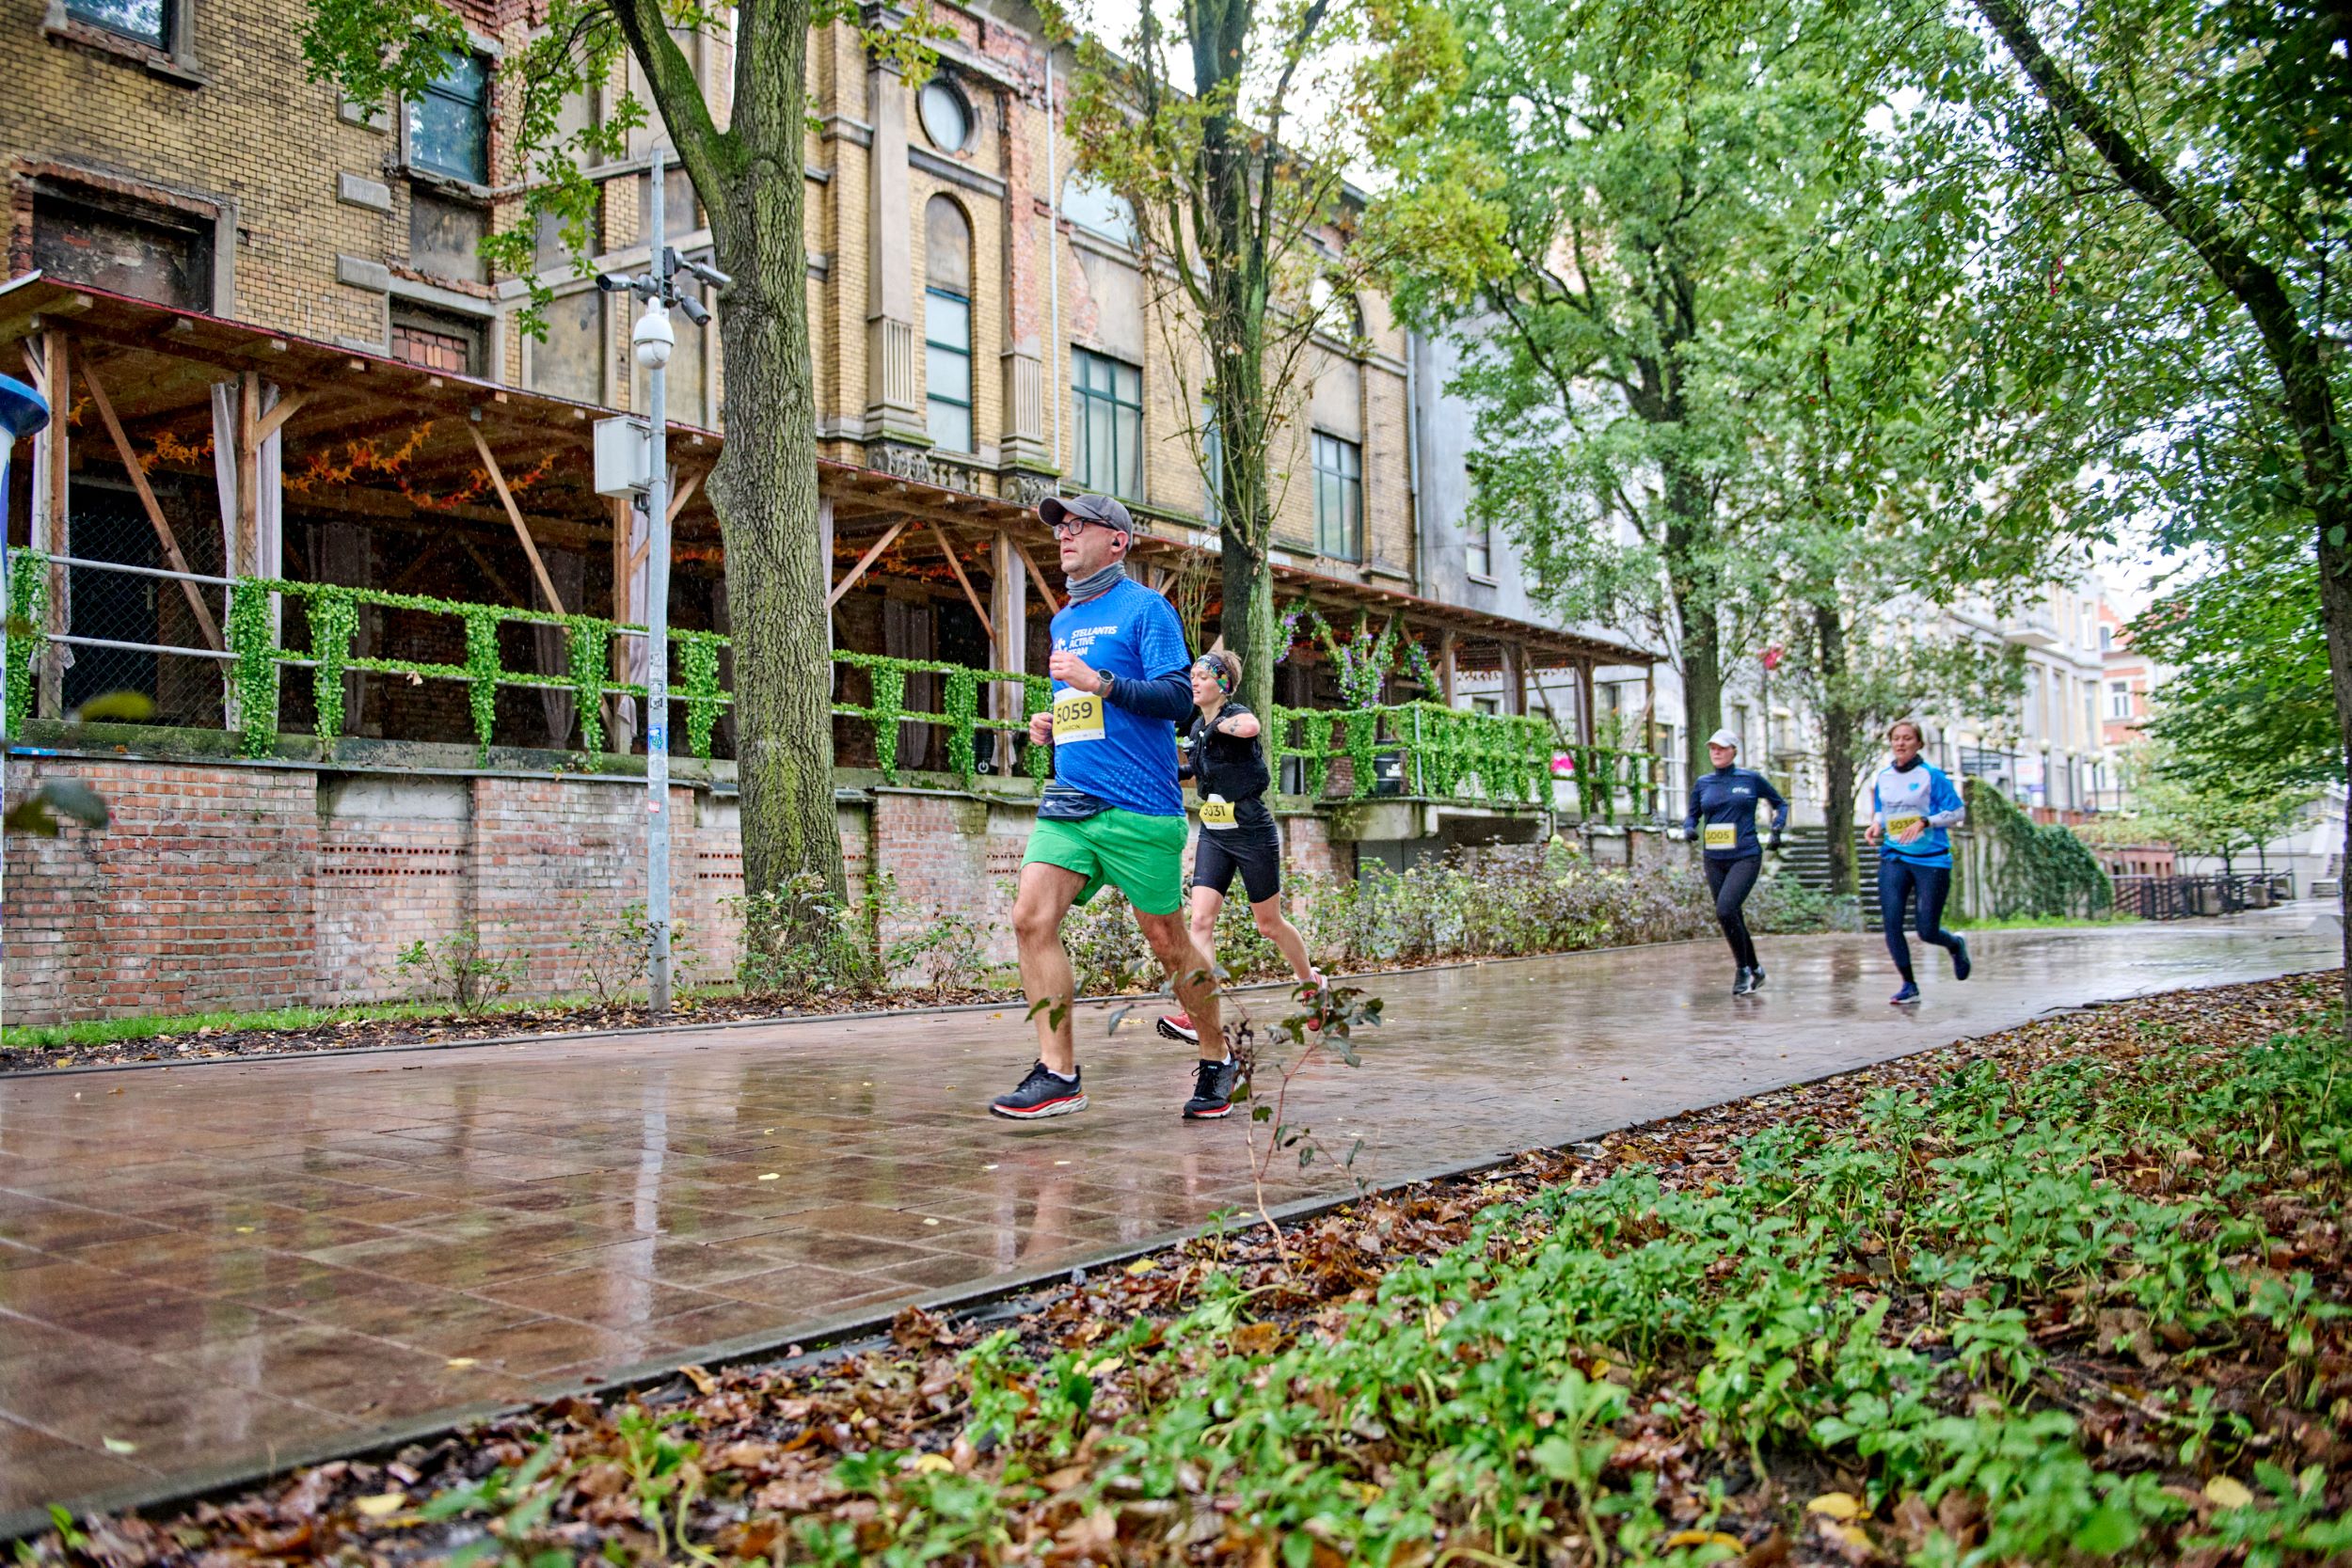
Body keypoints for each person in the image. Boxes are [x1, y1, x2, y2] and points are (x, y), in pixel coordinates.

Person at [990, 493, 1232, 1122]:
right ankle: (1058, 1072)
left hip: (1138, 807)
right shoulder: (1064, 621)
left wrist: (1098, 682)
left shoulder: (1147, 610)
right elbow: (1089, 707)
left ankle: (1216, 1055)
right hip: (1071, 803)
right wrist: (1055, 721)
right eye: (1060, 528)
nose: (1064, 535)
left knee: (1168, 940)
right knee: (1029, 918)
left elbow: (1178, 697)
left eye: (1078, 526)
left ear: (1117, 541)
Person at [1158, 649, 1324, 1056]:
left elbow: (1250, 727)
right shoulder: (1196, 726)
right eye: (1192, 675)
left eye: (1202, 676)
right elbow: (1196, 770)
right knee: (1200, 921)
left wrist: (1219, 729)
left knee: (1268, 925)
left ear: (1223, 684)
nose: (1194, 681)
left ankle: (1311, 984)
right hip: (1214, 833)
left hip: (1251, 832)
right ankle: (1199, 1008)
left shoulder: (1236, 713)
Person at [1865, 718, 1970, 1006]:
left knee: (1927, 930)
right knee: (1892, 923)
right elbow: (1881, 810)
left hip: (1931, 860)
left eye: (1907, 738)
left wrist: (1926, 821)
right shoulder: (1884, 777)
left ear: (1919, 743)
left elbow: (1958, 812)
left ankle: (1955, 944)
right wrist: (1875, 825)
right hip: (1894, 856)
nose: (1900, 743)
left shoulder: (1932, 776)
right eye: (1896, 738)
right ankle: (1908, 985)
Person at [1684, 728, 1788, 995]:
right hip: (1714, 858)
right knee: (1732, 914)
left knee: (1725, 910)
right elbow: (1692, 815)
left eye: (1721, 747)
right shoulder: (1704, 783)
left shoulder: (1750, 779)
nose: (1716, 752)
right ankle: (1754, 968)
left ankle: (1742, 969)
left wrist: (1776, 829)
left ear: (1734, 751)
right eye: (1712, 748)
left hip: (1746, 855)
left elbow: (1780, 803)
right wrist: (1689, 828)